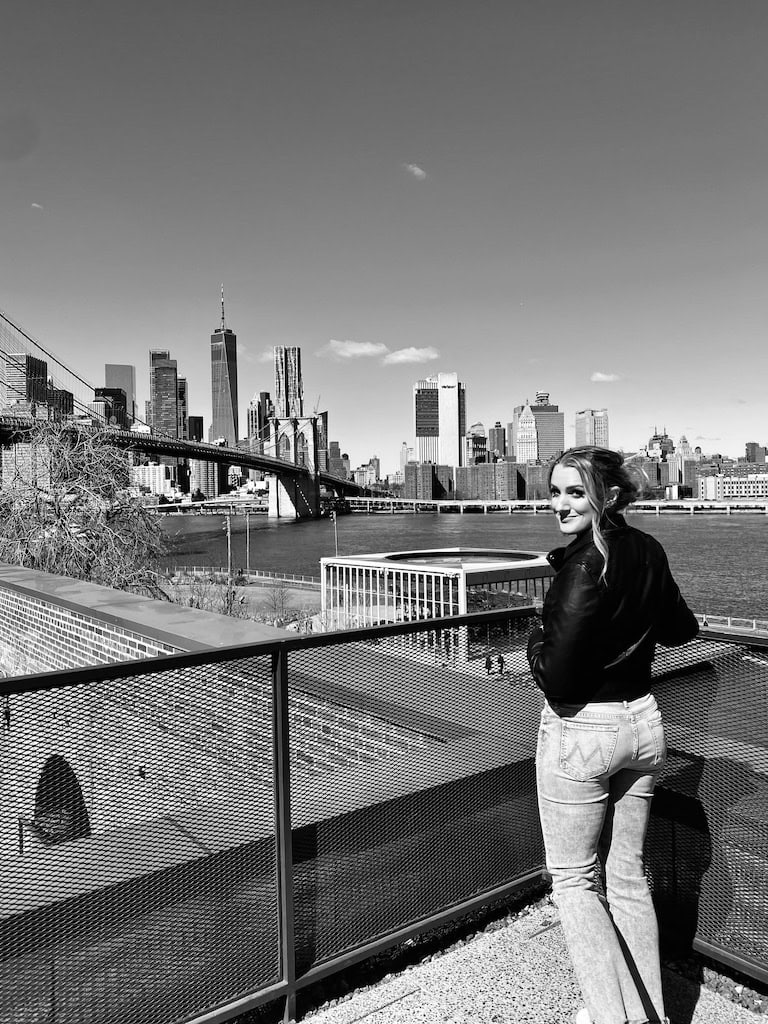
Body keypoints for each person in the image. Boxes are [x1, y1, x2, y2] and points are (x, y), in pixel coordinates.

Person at [527, 446, 698, 1024]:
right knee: (626, 878)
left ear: (610, 497)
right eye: (555, 491)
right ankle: (648, 1015)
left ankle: (611, 1015)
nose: (560, 504)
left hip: (584, 730)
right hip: (644, 725)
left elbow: (557, 676)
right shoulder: (648, 549)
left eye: (575, 492)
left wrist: (534, 637)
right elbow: (682, 629)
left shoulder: (582, 564)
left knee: (574, 884)